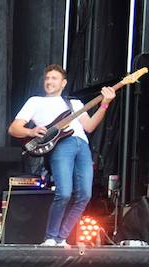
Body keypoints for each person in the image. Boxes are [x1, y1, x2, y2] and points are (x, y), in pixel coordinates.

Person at [8, 64, 115, 246]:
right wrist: (31, 132)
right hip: (62, 145)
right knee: (64, 193)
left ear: (63, 83)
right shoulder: (35, 101)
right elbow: (13, 129)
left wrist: (105, 103)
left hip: (82, 146)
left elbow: (89, 126)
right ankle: (50, 237)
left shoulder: (74, 104)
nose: (49, 82)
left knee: (85, 195)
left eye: (54, 78)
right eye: (47, 78)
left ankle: (61, 238)